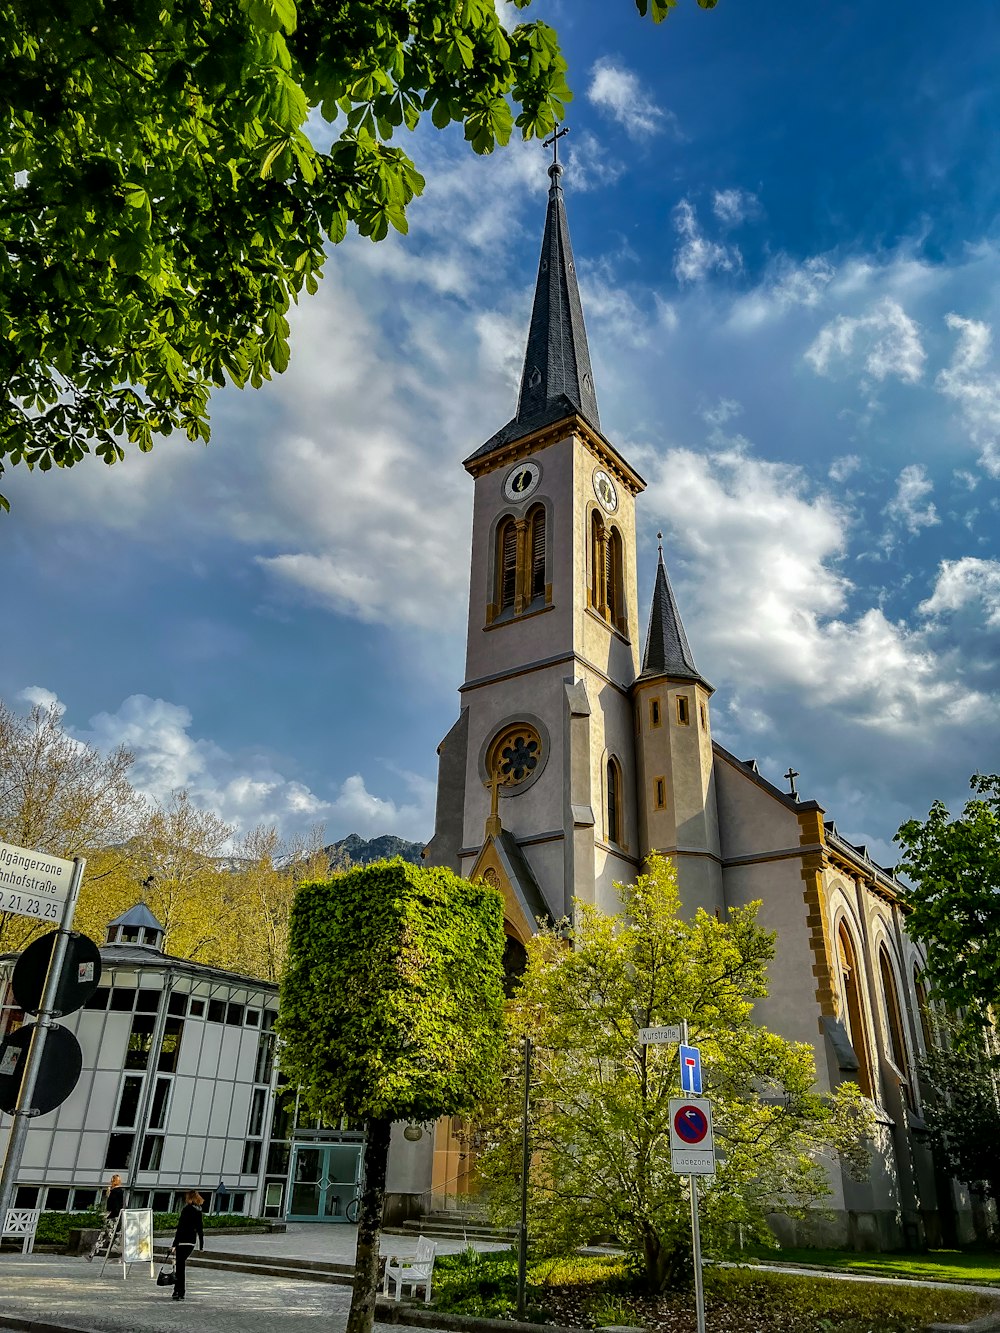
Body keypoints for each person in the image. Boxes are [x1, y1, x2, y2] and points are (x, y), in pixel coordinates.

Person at [169, 1190, 204, 1300]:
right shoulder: (198, 1211)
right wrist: (201, 1245)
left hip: (183, 1241)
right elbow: (200, 1229)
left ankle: (179, 1291)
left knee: (180, 1267)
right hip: (191, 1242)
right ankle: (178, 1290)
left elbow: (180, 1228)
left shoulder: (186, 1210)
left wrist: (174, 1244)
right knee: (181, 1266)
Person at [87, 1174, 124, 1261]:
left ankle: (93, 1254)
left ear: (113, 1182)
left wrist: (109, 1195)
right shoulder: (119, 1191)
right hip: (116, 1216)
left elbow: (112, 1206)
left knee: (107, 1235)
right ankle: (92, 1254)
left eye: (112, 1181)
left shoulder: (115, 1192)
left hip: (113, 1216)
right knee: (105, 1235)